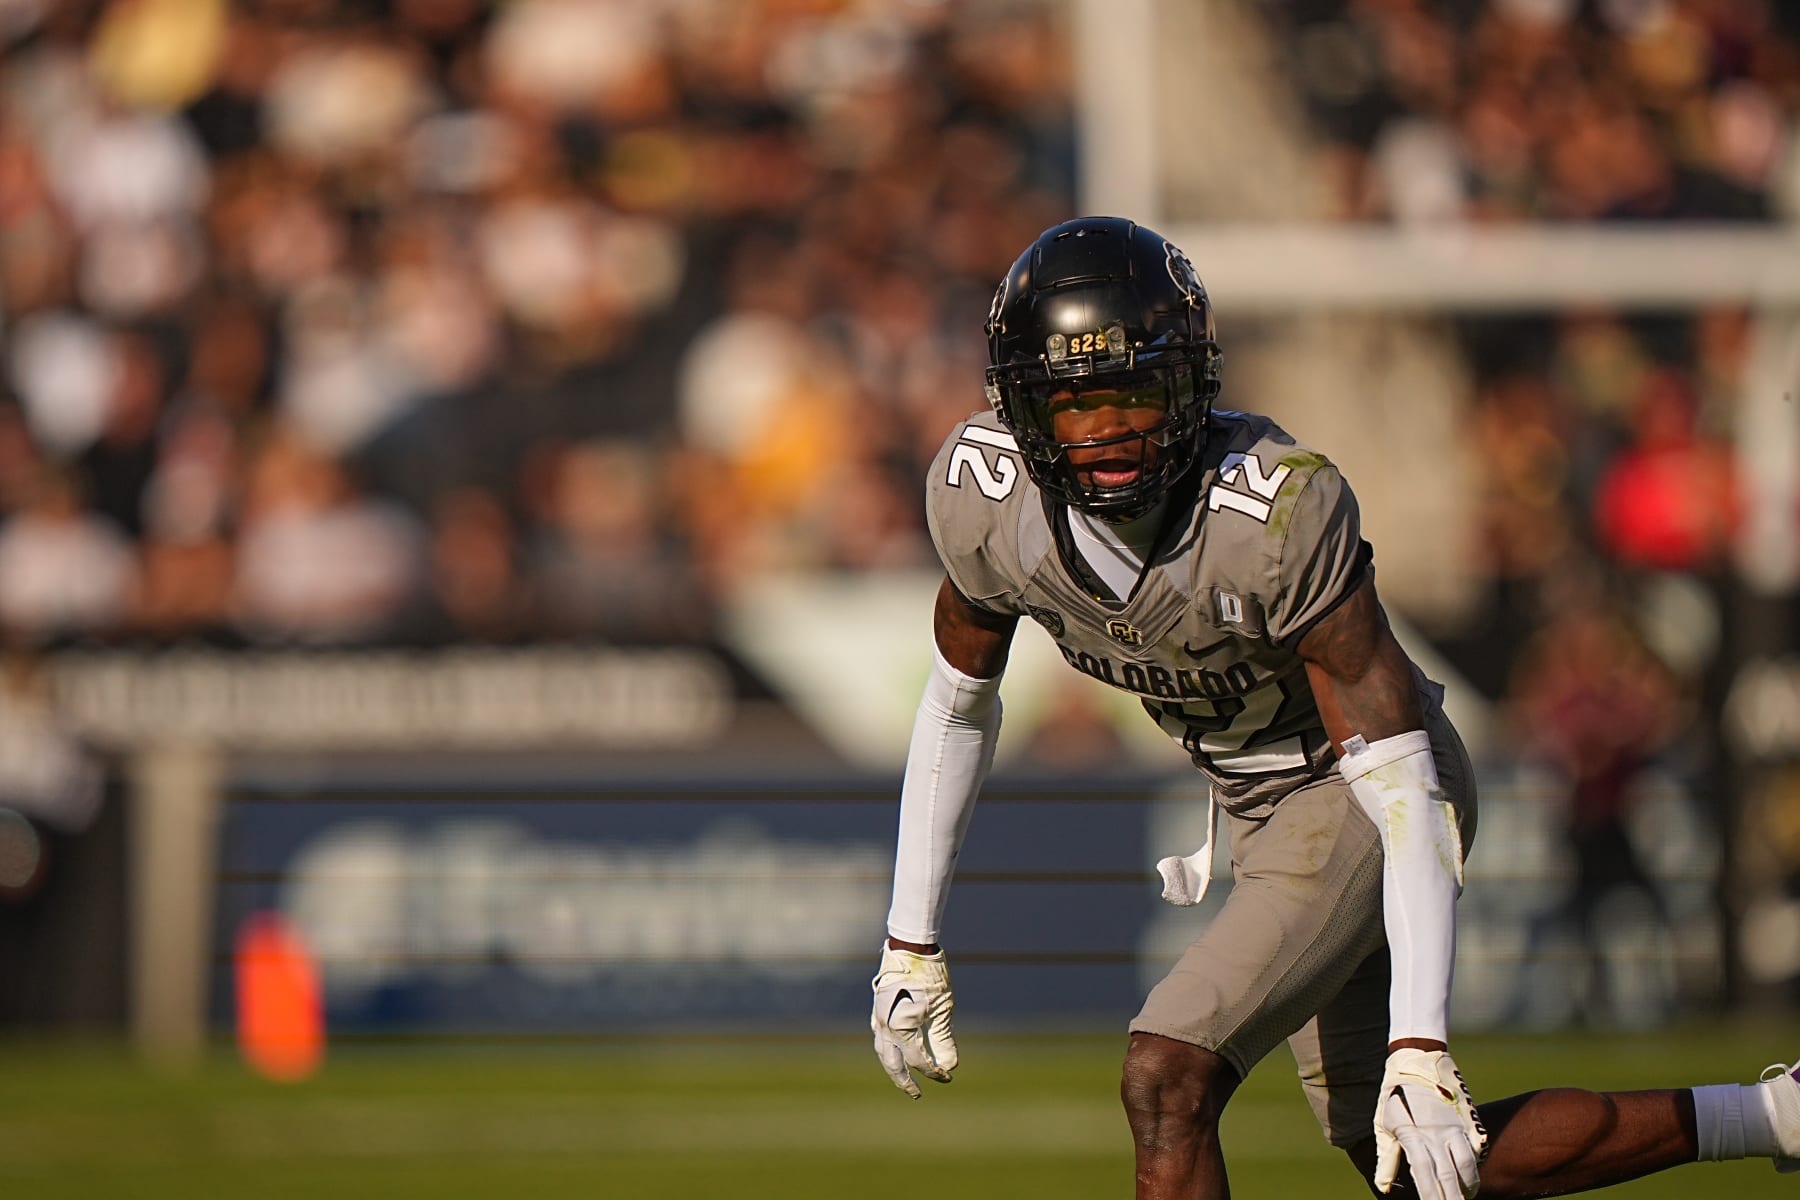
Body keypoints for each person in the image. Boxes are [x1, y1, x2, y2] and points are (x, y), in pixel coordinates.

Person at [868, 216, 1800, 1200]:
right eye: (1074, 405)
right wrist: (910, 938)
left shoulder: (1274, 513)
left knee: (1166, 1071)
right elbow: (958, 705)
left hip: (1359, 792)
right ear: (1022, 408)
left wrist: (1422, 1044)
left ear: (1189, 385)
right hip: (1256, 798)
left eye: (1136, 395)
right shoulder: (983, 498)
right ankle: (1775, 1115)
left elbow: (1404, 785)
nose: (1106, 434)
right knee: (1399, 1158)